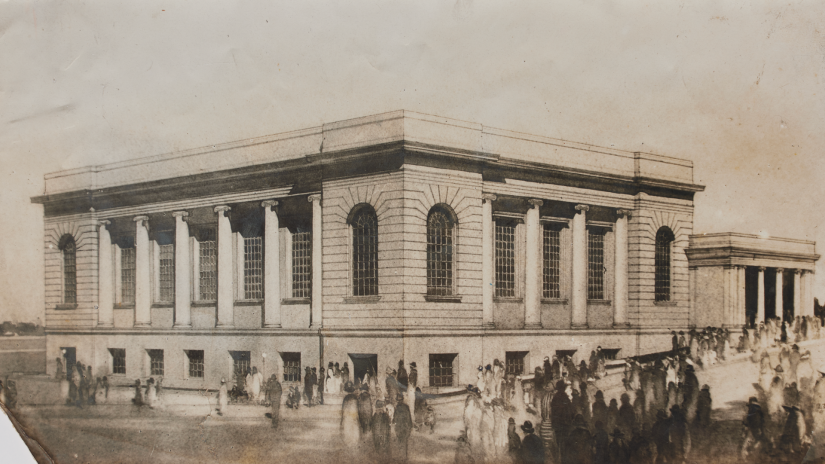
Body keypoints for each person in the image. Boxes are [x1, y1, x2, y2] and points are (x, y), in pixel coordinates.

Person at [394, 393, 413, 462]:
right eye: (398, 400)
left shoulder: (402, 407)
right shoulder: (400, 407)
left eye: (400, 400)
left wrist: (409, 427)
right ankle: (402, 457)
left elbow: (408, 418)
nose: (399, 402)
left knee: (403, 442)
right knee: (402, 442)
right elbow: (395, 418)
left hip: (403, 427)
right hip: (401, 427)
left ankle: (403, 457)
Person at [341, 381, 361, 446]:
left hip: (347, 416)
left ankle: (348, 442)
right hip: (354, 415)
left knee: (347, 428)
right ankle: (354, 442)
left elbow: (343, 409)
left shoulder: (345, 398)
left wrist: (342, 418)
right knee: (354, 428)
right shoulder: (355, 398)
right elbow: (358, 408)